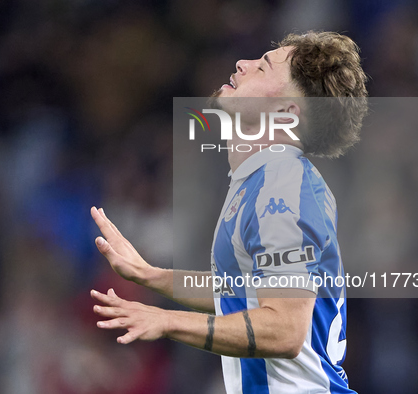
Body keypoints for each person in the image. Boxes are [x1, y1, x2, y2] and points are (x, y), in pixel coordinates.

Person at [90, 31, 368, 394]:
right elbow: (246, 292)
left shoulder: (282, 185)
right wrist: (151, 276)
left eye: (264, 66)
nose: (244, 63)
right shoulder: (261, 179)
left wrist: (166, 320)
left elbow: (285, 329)